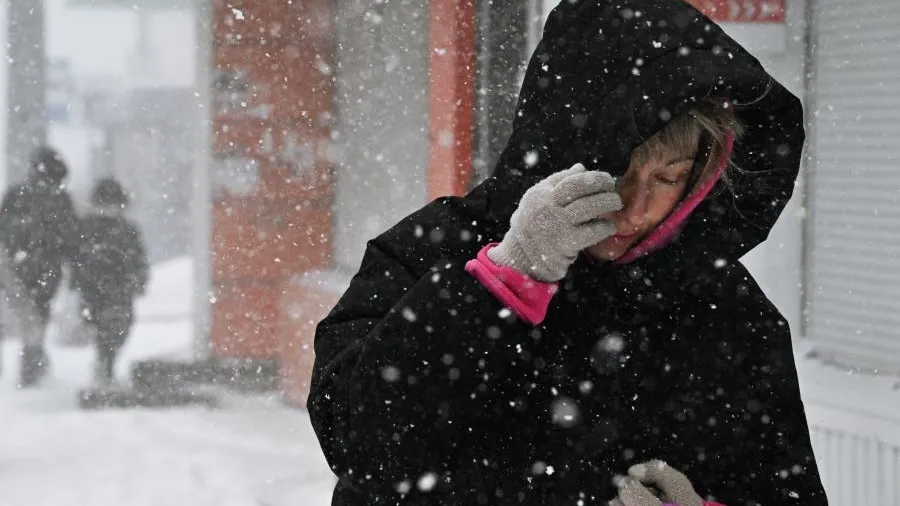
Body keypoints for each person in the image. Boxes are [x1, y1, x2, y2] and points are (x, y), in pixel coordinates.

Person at [308, 1, 828, 505]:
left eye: (668, 178)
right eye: (617, 173)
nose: (635, 211)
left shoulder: (727, 311)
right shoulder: (435, 249)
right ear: (564, 152)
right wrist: (502, 282)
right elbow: (357, 443)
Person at [0, 145, 78, 386]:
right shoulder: (59, 200)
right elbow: (70, 238)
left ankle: (31, 368)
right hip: (39, 270)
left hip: (17, 267)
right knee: (36, 321)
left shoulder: (16, 195)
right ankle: (32, 369)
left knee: (21, 319)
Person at [71, 178, 148, 386]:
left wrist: (139, 280)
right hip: (94, 290)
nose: (109, 209)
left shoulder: (128, 229)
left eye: (113, 204)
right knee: (104, 331)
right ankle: (105, 368)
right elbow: (76, 257)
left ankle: (105, 366)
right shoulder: (86, 228)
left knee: (118, 330)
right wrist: (78, 280)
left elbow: (139, 258)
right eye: (105, 203)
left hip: (120, 289)